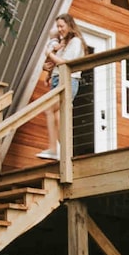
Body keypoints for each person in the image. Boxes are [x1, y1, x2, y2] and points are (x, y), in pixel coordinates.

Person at [37, 14, 85, 160]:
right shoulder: (63, 43)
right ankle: (60, 149)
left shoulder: (76, 42)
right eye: (58, 26)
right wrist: (48, 70)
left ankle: (54, 149)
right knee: (57, 116)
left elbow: (64, 62)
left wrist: (49, 53)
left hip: (69, 81)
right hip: (57, 80)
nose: (59, 29)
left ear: (70, 25)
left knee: (49, 109)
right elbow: (55, 63)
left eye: (61, 26)